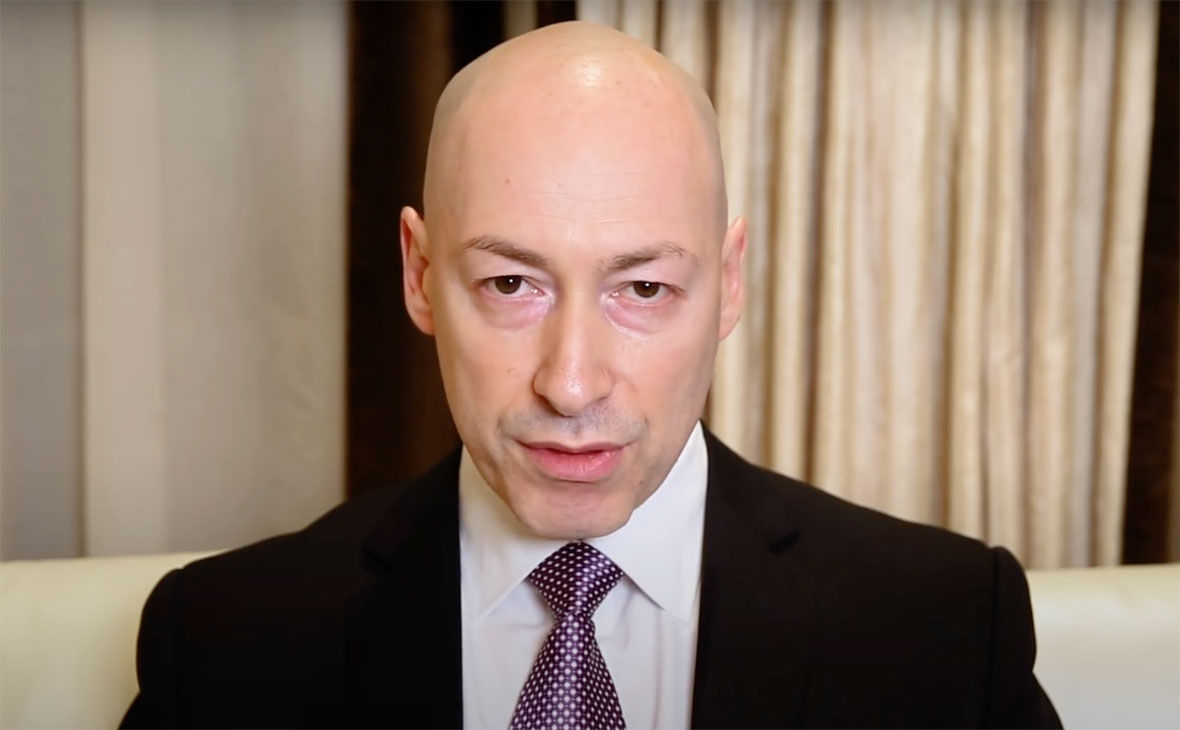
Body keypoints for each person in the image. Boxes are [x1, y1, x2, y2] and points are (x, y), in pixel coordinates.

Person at [122, 21, 1061, 729]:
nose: (570, 386)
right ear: (419, 274)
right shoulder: (220, 645)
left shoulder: (947, 629)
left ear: (729, 284)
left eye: (643, 287)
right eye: (510, 284)